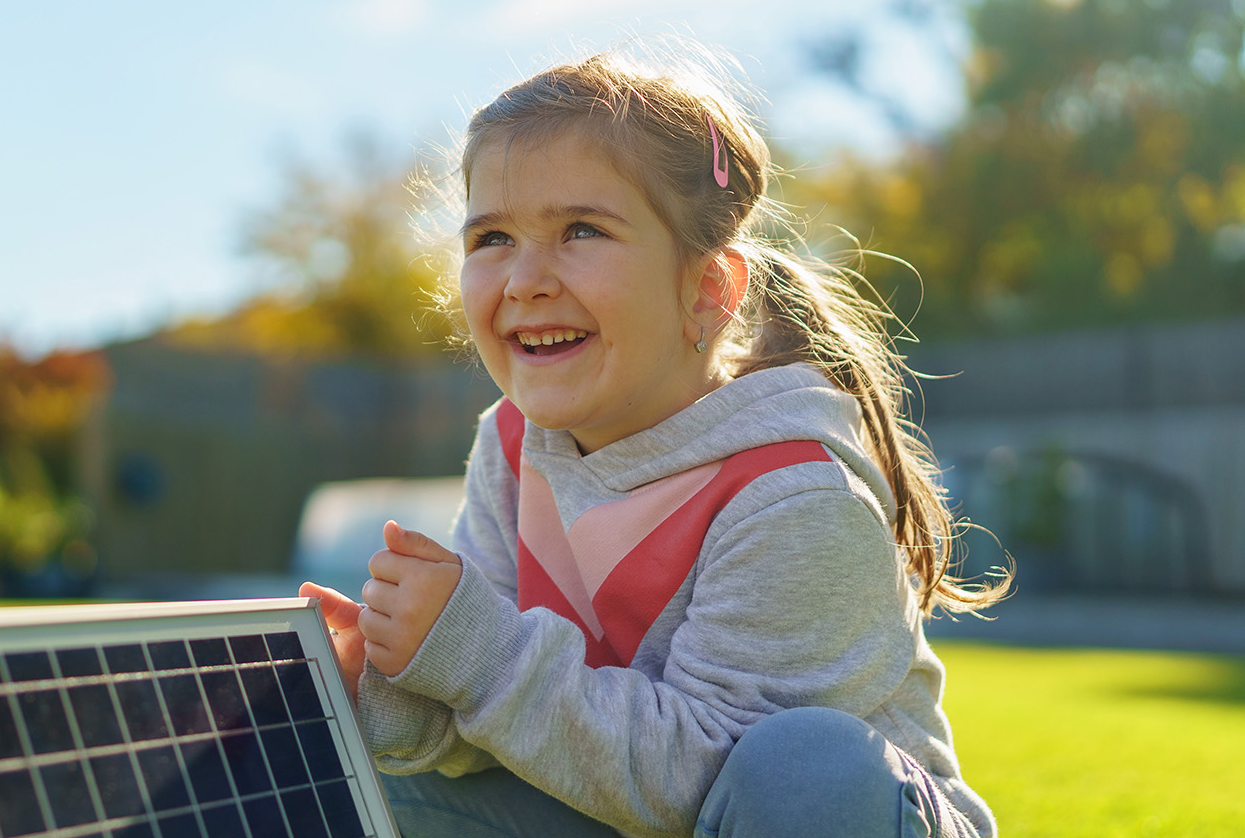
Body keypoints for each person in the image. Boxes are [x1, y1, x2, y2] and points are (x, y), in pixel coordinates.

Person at [300, 45, 1007, 838]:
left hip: (817, 813)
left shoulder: (796, 494)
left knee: (809, 765)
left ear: (707, 289)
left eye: (581, 230)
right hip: (624, 803)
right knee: (344, 774)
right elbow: (506, 724)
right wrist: (396, 684)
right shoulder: (511, 447)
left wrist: (479, 653)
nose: (525, 279)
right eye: (491, 238)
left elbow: (705, 788)